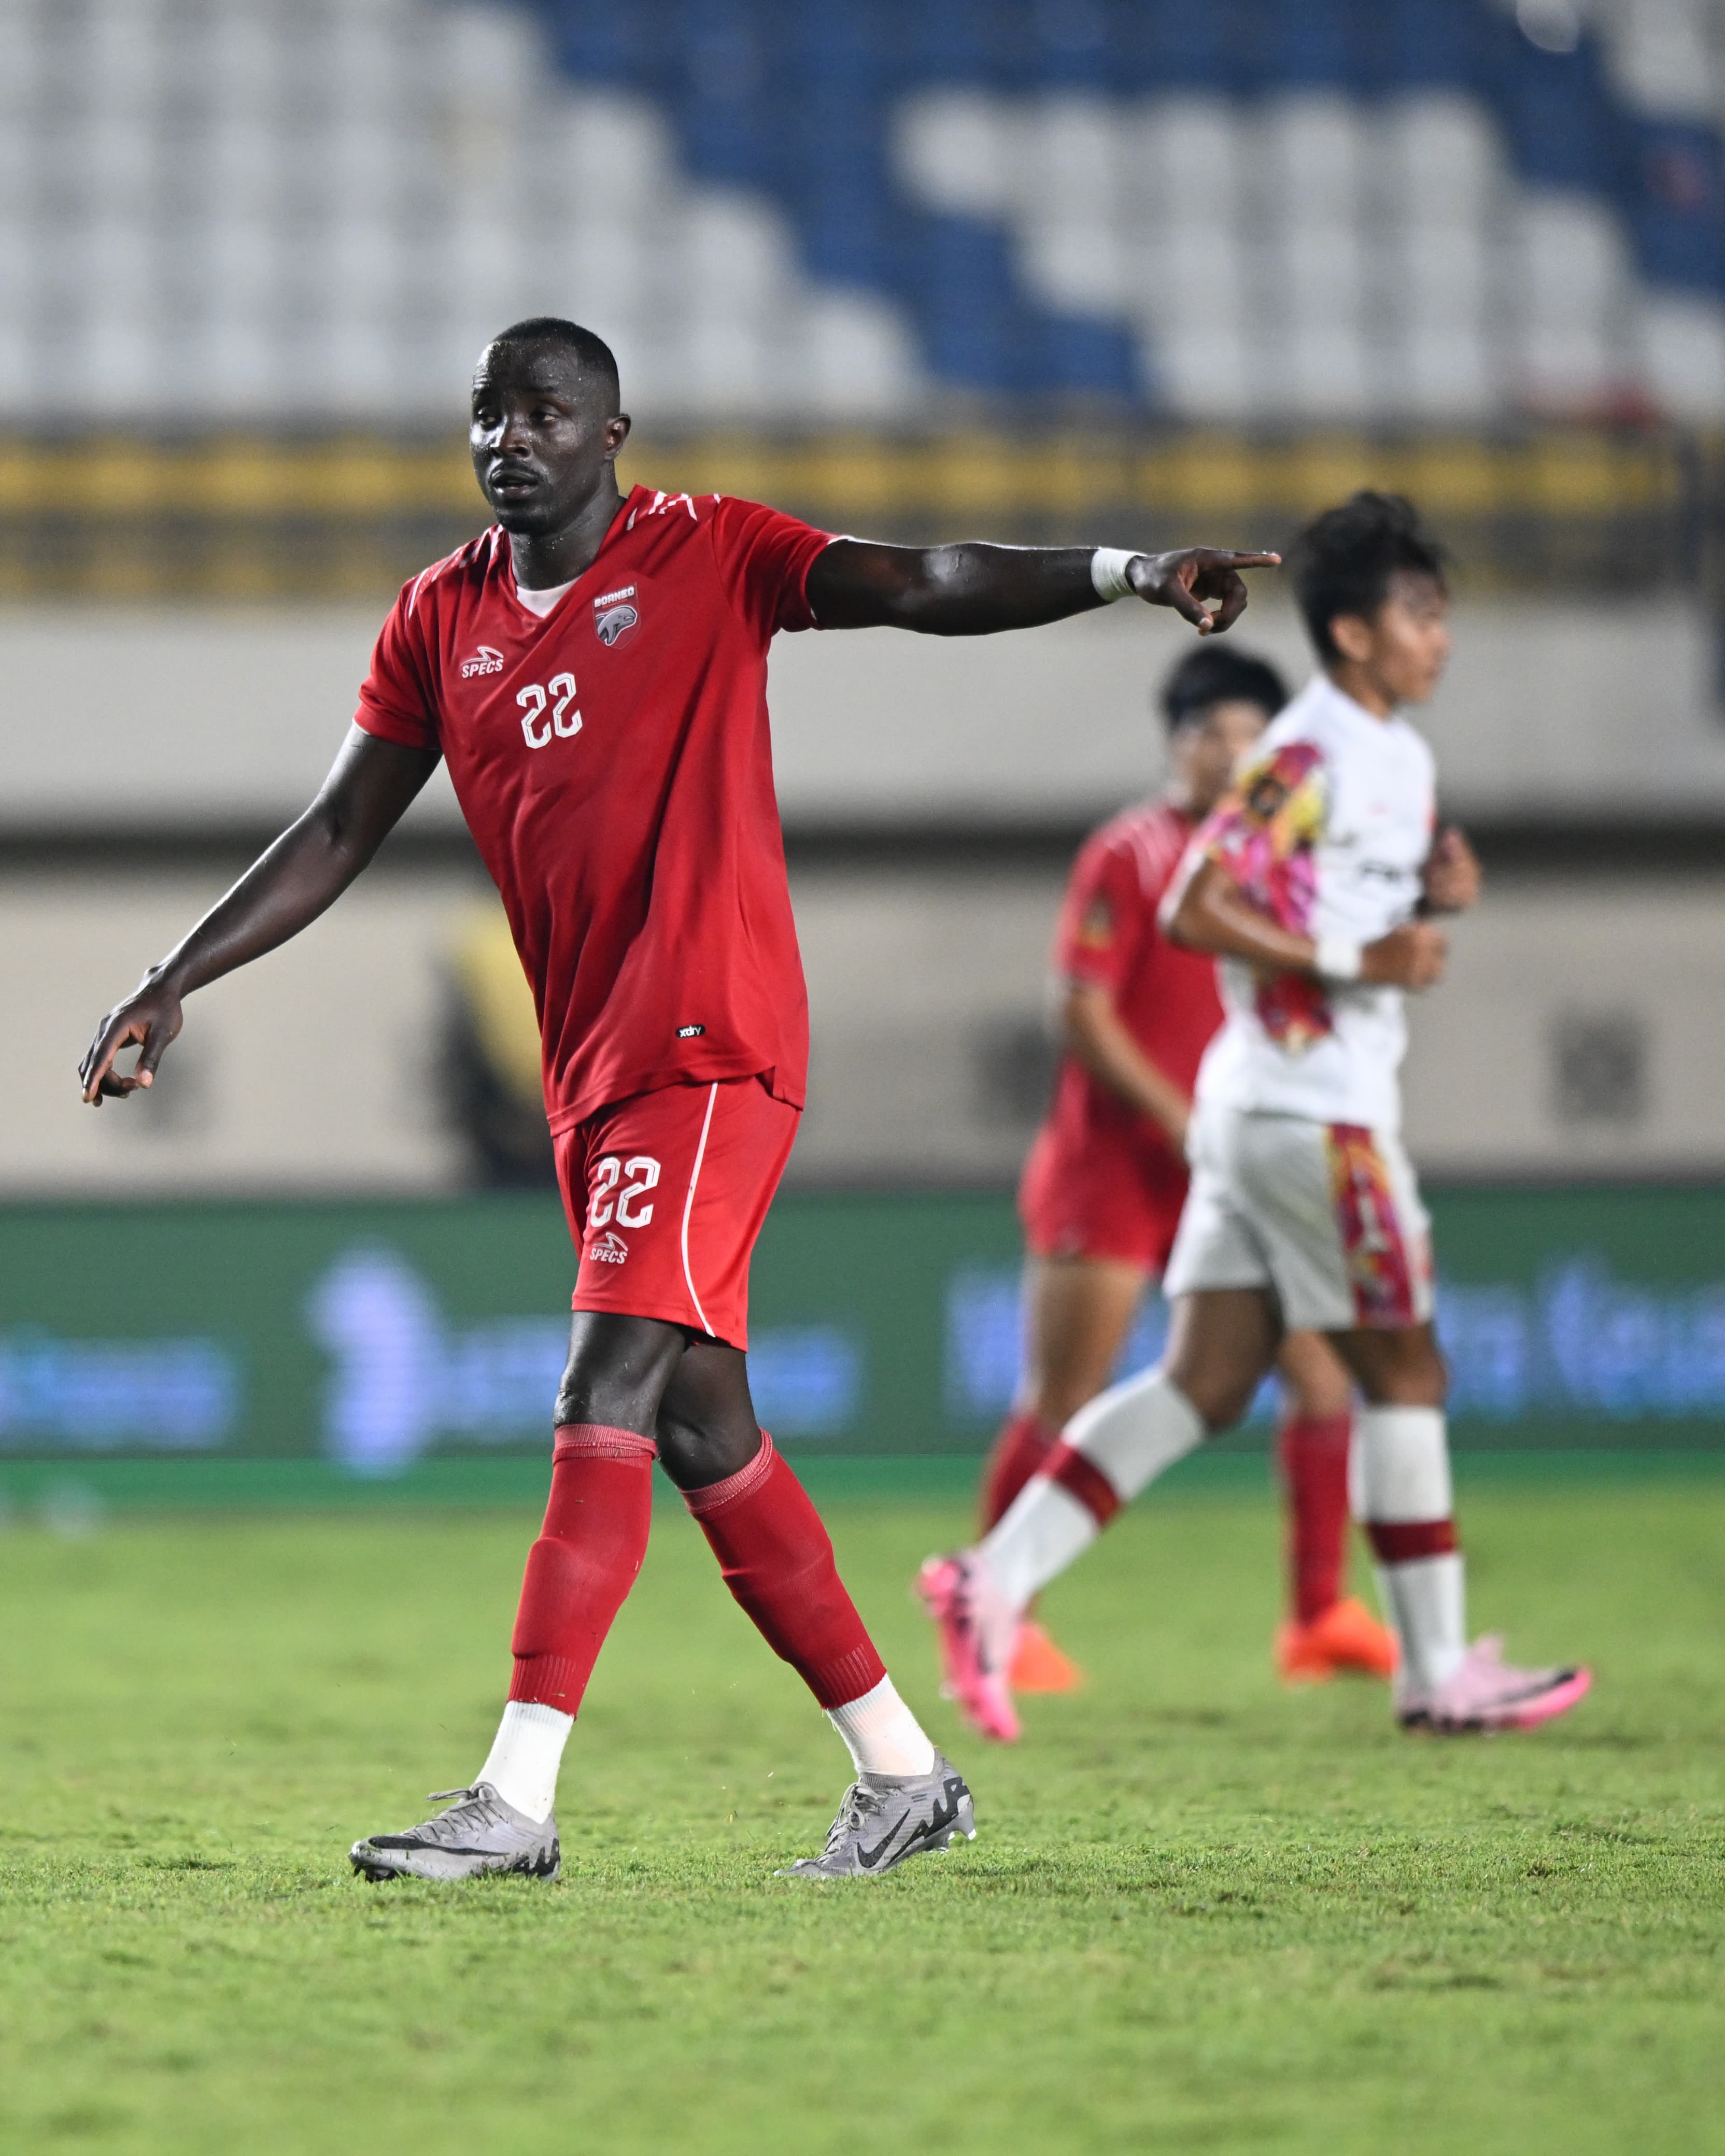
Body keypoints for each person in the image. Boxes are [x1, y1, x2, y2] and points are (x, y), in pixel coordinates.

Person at [78, 317, 1279, 1881]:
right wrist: (177, 976)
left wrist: (1124, 572)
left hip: (710, 1045)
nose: (511, 436)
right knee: (711, 1431)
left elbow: (922, 582)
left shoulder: (709, 554)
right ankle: (906, 1774)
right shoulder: (439, 619)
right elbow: (338, 827)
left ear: (613, 433)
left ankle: (514, 1798)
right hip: (595, 1075)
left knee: (605, 1391)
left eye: (546, 411)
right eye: (487, 413)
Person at [921, 491, 1591, 1744]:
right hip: (1311, 1115)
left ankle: (990, 1579)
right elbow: (1197, 902)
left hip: (1257, 1104)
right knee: (1405, 1365)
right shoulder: (1311, 751)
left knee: (1206, 1380)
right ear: (1349, 633)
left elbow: (1341, 922)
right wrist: (1363, 953)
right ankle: (1435, 1670)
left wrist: (1426, 907)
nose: (1439, 637)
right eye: (1419, 613)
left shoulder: (1379, 752)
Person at [983, 642, 1395, 1699]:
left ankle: (1316, 1616)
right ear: (1177, 744)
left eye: (1251, 736)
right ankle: (992, 1613)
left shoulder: (1276, 864)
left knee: (1316, 1372)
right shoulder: (1128, 851)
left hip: (1232, 1164)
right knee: (1067, 1391)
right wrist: (1176, 1114)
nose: (1231, 752)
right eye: (1212, 733)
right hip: (1111, 1166)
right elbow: (1077, 1006)